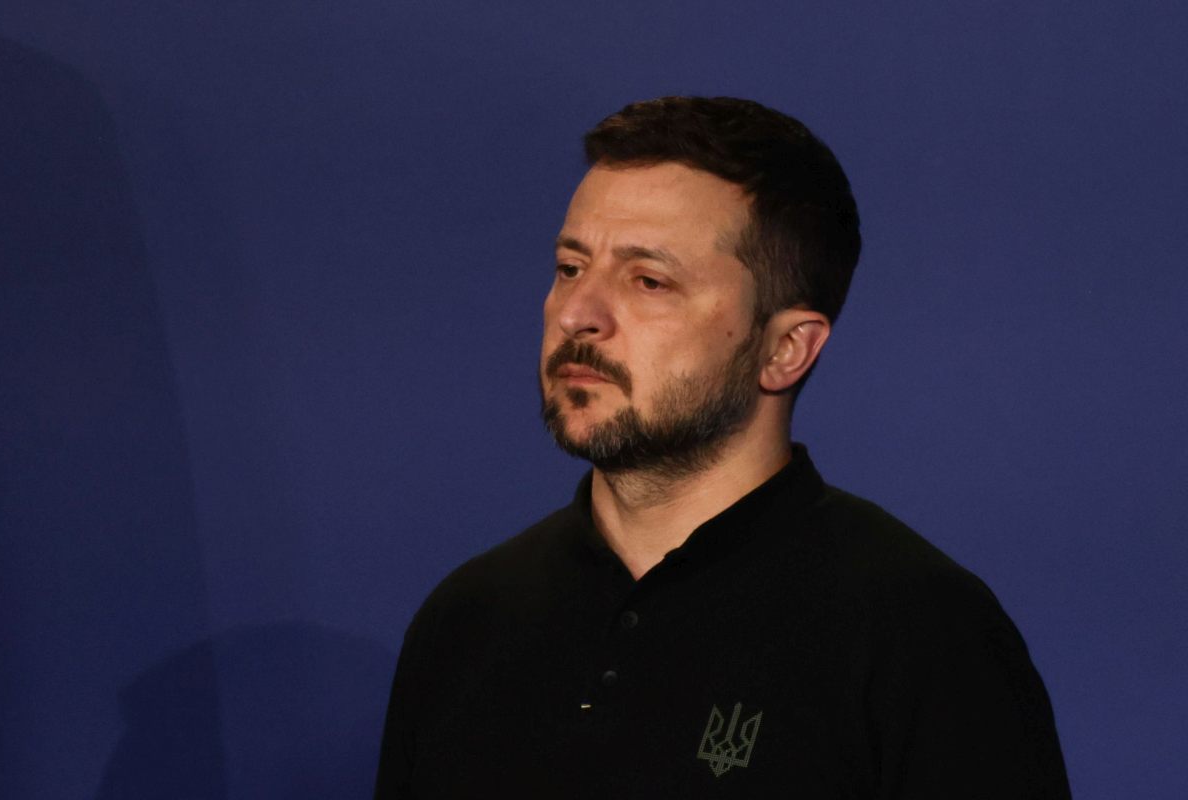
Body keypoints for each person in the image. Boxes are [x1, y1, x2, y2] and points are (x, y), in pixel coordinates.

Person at [374, 96, 1071, 799]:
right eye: (570, 267)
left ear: (785, 348)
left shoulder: (921, 633)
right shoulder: (466, 621)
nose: (578, 314)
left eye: (649, 280)